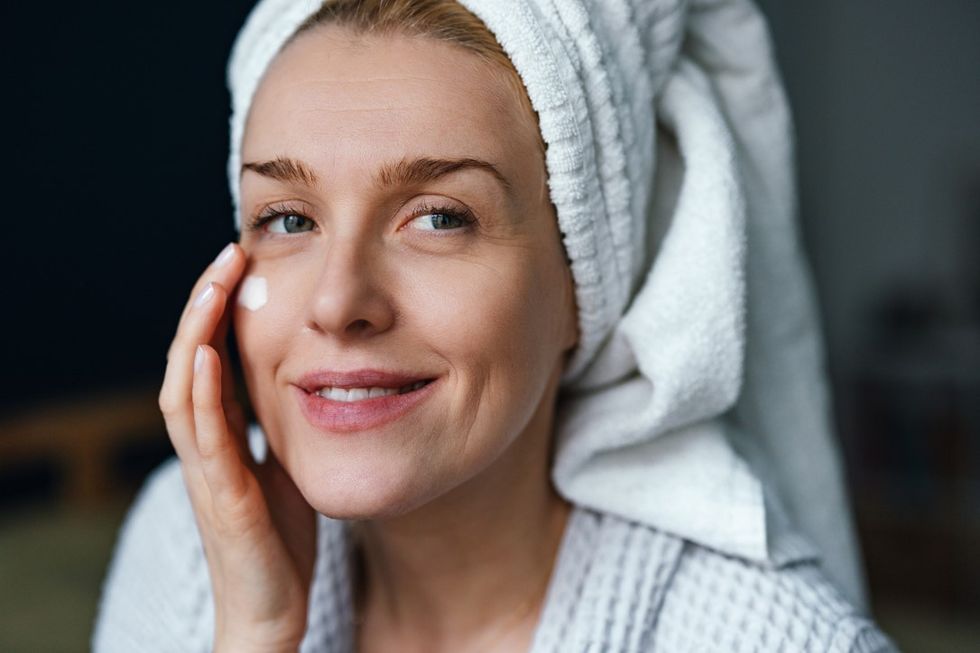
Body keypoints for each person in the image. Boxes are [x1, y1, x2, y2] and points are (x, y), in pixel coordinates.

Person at [93, 0, 899, 651]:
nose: (337, 303)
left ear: (585, 286)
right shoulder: (189, 548)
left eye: (439, 217)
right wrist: (256, 636)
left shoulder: (774, 637)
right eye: (288, 218)